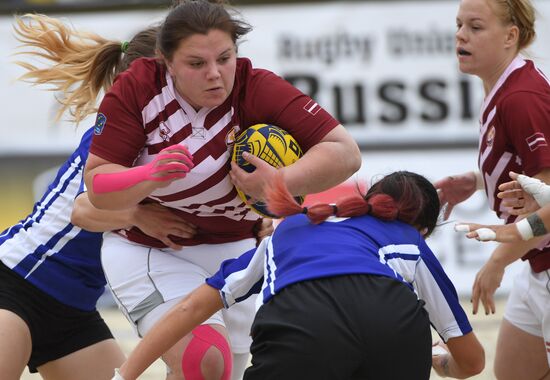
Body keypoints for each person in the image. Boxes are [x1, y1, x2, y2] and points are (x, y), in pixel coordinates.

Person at [24, 1, 360, 379]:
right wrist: (146, 184)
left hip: (234, 255)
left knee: (215, 370)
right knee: (205, 361)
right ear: (165, 62)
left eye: (224, 58)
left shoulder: (259, 87)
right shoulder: (135, 95)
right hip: (145, 254)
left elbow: (345, 152)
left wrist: (279, 184)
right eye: (197, 64)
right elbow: (90, 198)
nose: (215, 74)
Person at [6, 14, 272, 380]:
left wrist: (257, 219)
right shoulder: (115, 144)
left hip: (74, 309)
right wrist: (137, 216)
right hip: (17, 281)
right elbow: (82, 210)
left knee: (198, 363)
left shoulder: (195, 138)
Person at [111, 170, 485, 380]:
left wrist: (124, 375)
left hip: (304, 324)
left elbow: (190, 309)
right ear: (421, 229)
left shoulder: (290, 230)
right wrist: (436, 359)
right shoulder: (409, 243)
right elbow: (472, 362)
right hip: (393, 328)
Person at [434, 0, 550, 378]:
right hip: (536, 263)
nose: (460, 35)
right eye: (458, 25)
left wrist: (497, 261)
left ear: (510, 36)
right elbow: (533, 176)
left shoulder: (521, 98)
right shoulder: (507, 87)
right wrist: (480, 178)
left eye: (475, 27)